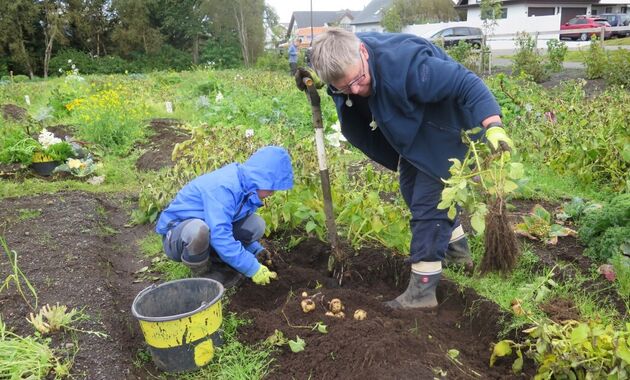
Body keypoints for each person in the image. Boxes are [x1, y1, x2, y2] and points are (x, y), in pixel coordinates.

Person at [300, 28, 513, 310]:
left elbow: (466, 83)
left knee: (428, 204)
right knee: (411, 189)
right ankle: (458, 255)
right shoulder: (348, 55)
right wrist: (319, 78)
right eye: (342, 87)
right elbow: (333, 61)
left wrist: (493, 125)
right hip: (416, 131)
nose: (353, 91)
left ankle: (422, 293)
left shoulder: (408, 67)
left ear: (363, 53)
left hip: (447, 128)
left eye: (357, 80)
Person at [155, 146, 294, 288]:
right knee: (198, 230)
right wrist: (252, 268)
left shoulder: (246, 187)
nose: (272, 193)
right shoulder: (225, 187)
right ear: (260, 178)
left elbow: (229, 225)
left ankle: (219, 262)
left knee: (256, 224)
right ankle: (203, 275)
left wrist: (255, 249)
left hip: (209, 230)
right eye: (271, 188)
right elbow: (220, 234)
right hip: (177, 237)